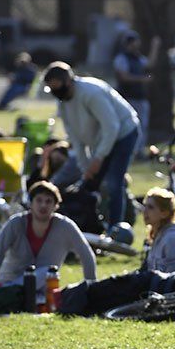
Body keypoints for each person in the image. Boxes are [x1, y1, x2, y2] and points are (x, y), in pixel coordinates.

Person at [43, 62, 139, 229]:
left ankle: (116, 229)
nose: (56, 93)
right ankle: (92, 224)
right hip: (102, 139)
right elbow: (75, 138)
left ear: (69, 82)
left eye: (58, 88)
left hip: (124, 133)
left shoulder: (91, 93)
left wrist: (98, 158)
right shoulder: (63, 103)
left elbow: (112, 127)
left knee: (114, 183)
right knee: (90, 184)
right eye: (52, 90)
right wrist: (85, 167)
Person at [0, 181, 97, 299]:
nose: (43, 205)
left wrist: (90, 291)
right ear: (31, 203)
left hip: (42, 292)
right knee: (47, 273)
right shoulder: (15, 223)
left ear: (55, 206)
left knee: (52, 284)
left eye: (48, 201)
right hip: (9, 287)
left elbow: (87, 256)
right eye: (39, 200)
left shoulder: (65, 226)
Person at [113, 32, 159, 155]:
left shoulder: (138, 58)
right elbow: (123, 77)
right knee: (127, 125)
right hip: (127, 97)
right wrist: (142, 79)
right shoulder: (121, 58)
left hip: (140, 97)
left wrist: (155, 46)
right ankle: (128, 150)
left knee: (142, 125)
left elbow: (150, 64)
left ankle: (139, 151)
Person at [141, 187, 175, 273]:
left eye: (150, 207)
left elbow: (174, 279)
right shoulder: (159, 235)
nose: (144, 211)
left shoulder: (173, 239)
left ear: (164, 213)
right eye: (145, 206)